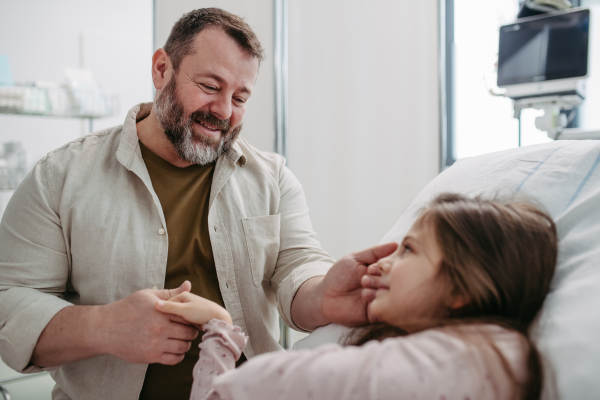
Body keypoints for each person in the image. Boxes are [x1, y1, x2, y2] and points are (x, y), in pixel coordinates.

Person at [0, 8, 393, 400]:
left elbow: (298, 268)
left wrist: (326, 294)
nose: (224, 111)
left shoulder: (273, 178)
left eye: (240, 97)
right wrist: (105, 327)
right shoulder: (59, 176)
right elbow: (9, 303)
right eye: (209, 86)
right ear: (160, 70)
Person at [156, 193, 558, 400]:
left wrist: (221, 329)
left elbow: (226, 394)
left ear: (463, 288)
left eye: (409, 250)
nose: (383, 261)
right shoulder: (506, 356)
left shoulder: (441, 361)